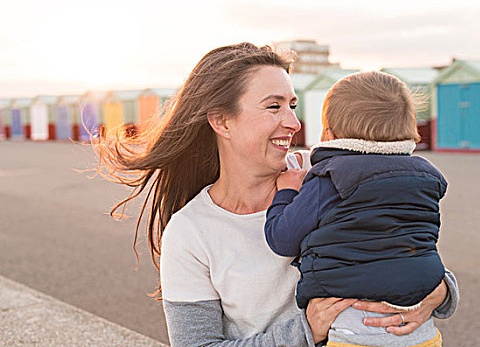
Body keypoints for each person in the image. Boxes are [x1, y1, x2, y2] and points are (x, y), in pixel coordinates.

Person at [95, 43, 458, 346]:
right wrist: (305, 330)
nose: (295, 123)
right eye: (274, 106)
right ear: (222, 121)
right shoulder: (191, 232)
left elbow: (407, 242)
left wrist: (440, 291)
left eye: (293, 105)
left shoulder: (327, 173)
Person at [264, 71, 451, 346]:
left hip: (353, 328)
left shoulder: (331, 176)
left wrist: (287, 192)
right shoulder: (425, 176)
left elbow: (282, 239)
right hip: (421, 329)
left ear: (330, 135)